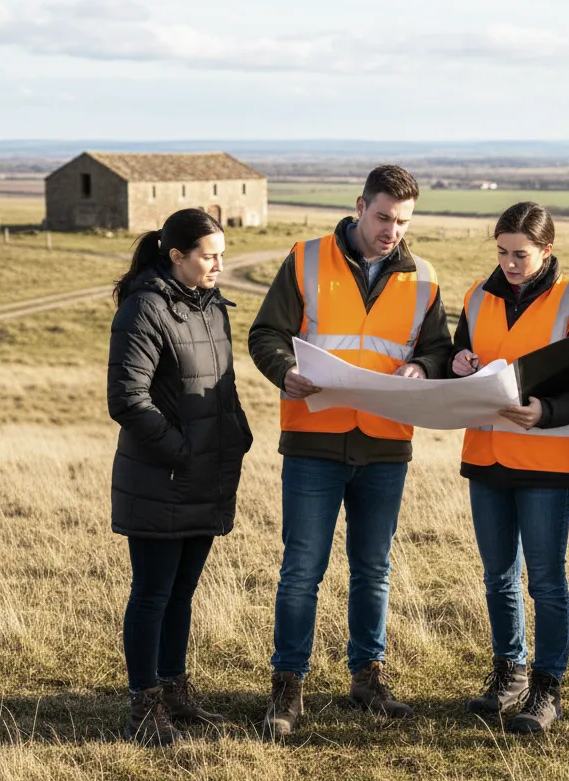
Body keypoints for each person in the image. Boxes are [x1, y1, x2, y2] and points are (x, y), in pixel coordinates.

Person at [247, 165, 452, 735]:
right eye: (383, 217)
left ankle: (368, 679)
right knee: (301, 570)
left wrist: (422, 367)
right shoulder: (306, 258)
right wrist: (284, 372)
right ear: (360, 206)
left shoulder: (425, 278)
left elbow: (439, 349)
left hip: (386, 444)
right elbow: (265, 334)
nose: (392, 231)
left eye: (403, 221)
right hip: (313, 439)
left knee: (374, 569)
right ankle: (288, 687)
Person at [450, 202, 569, 734]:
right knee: (497, 577)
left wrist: (547, 412)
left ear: (547, 249)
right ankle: (509, 674)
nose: (509, 263)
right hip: (486, 457)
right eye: (502, 252)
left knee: (545, 580)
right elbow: (460, 357)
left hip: (547, 462)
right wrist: (459, 363)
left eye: (520, 254)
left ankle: (547, 689)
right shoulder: (477, 296)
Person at [107, 207, 253, 746]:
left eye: (222, 255)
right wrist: (182, 451)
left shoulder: (211, 306)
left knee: (182, 593)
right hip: (161, 477)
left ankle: (174, 692)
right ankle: (143, 707)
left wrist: (237, 434)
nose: (219, 265)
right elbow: (127, 398)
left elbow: (223, 384)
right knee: (152, 594)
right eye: (208, 256)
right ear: (176, 256)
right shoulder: (144, 308)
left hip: (206, 474)